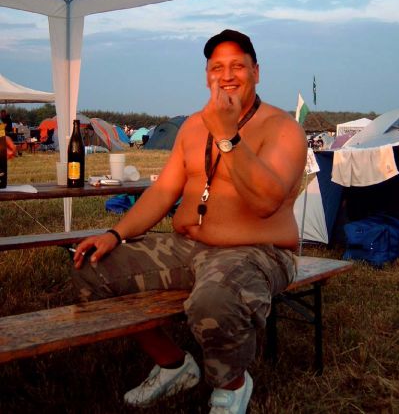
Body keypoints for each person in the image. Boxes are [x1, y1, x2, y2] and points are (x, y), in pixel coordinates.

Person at [72, 29, 307, 413]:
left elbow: (266, 202)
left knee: (214, 299)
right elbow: (163, 192)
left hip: (258, 251)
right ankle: (173, 365)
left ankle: (231, 385)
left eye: (237, 66)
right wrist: (115, 233)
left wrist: (227, 134)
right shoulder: (193, 126)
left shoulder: (283, 128)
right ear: (207, 76)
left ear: (256, 72)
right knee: (92, 267)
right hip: (188, 246)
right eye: (217, 68)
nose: (226, 76)